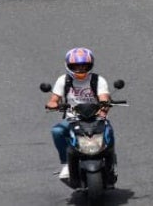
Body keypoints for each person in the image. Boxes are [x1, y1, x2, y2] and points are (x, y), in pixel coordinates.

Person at [44, 47, 112, 180]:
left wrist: (103, 110)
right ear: (69, 66)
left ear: (90, 65)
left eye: (84, 66)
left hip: (96, 117)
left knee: (109, 132)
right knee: (57, 131)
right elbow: (53, 100)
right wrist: (53, 105)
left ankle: (111, 163)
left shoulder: (98, 80)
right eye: (76, 66)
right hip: (73, 119)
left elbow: (104, 98)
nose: (80, 70)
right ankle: (66, 163)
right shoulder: (63, 80)